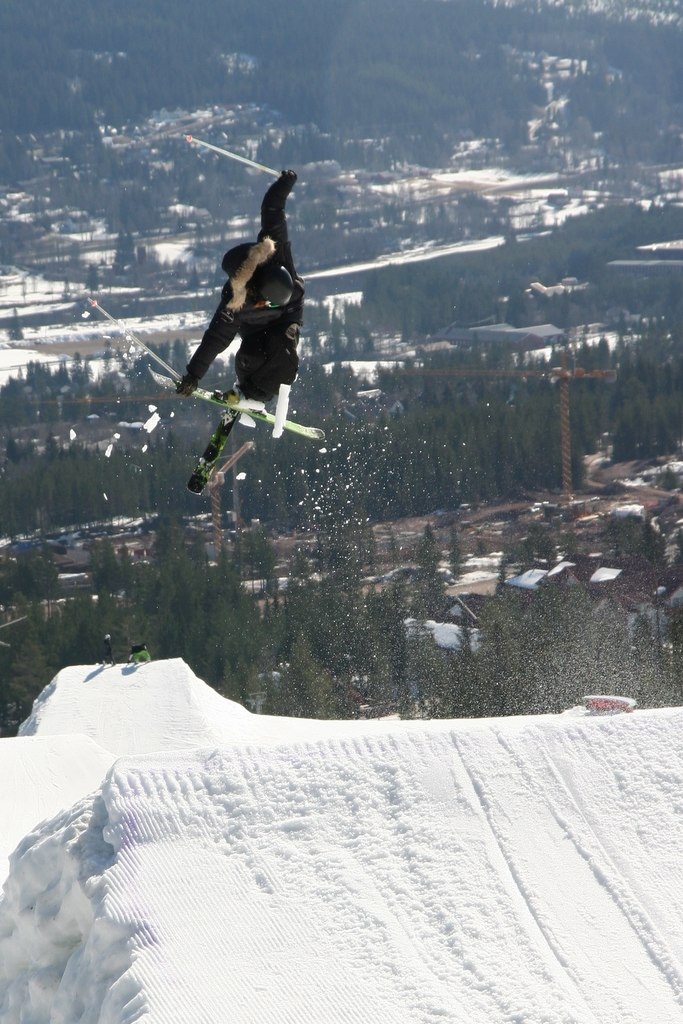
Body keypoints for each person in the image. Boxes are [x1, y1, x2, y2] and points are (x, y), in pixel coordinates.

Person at [177, 169, 303, 405]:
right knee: (251, 356)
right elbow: (214, 340)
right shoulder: (235, 302)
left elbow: (273, 211)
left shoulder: (279, 257)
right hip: (253, 330)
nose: (269, 305)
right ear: (256, 291)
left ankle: (258, 396)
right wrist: (193, 376)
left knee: (285, 356)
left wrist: (285, 183)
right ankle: (244, 392)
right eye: (268, 302)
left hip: (285, 320)